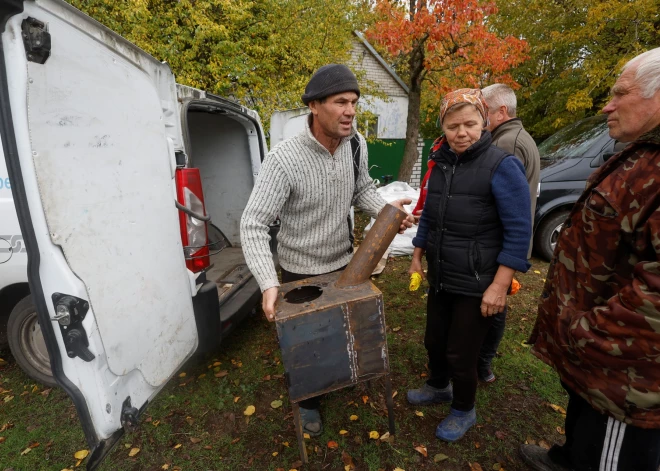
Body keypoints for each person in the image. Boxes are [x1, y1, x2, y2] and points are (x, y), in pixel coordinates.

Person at [240, 64, 414, 438]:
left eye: (353, 101)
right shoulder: (283, 159)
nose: (350, 110)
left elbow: (362, 189)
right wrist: (269, 283)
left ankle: (339, 375)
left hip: (343, 265)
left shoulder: (356, 145)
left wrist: (388, 211)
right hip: (299, 270)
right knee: (307, 345)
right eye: (340, 102)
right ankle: (308, 404)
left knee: (341, 331)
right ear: (315, 106)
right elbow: (253, 223)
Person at [521, 47, 660, 471]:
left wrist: (591, 333)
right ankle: (569, 458)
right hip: (599, 359)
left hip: (627, 374)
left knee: (613, 451)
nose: (608, 104)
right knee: (586, 424)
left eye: (621, 93)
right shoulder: (641, 153)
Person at [406, 88, 531, 442]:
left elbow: (520, 230)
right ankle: (438, 386)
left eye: (470, 124)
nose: (462, 133)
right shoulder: (443, 163)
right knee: (435, 339)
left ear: (485, 122)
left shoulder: (502, 165)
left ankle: (464, 408)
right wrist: (417, 254)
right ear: (443, 127)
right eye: (453, 125)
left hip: (479, 279)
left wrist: (499, 285)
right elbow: (429, 214)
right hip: (443, 274)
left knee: (461, 351)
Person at [472, 83, 541, 383]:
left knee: (493, 305)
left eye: (484, 111)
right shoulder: (515, 137)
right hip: (504, 244)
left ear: (501, 111)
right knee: (493, 304)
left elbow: (501, 204)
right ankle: (481, 363)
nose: (480, 117)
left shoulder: (506, 144)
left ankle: (482, 365)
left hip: (499, 244)